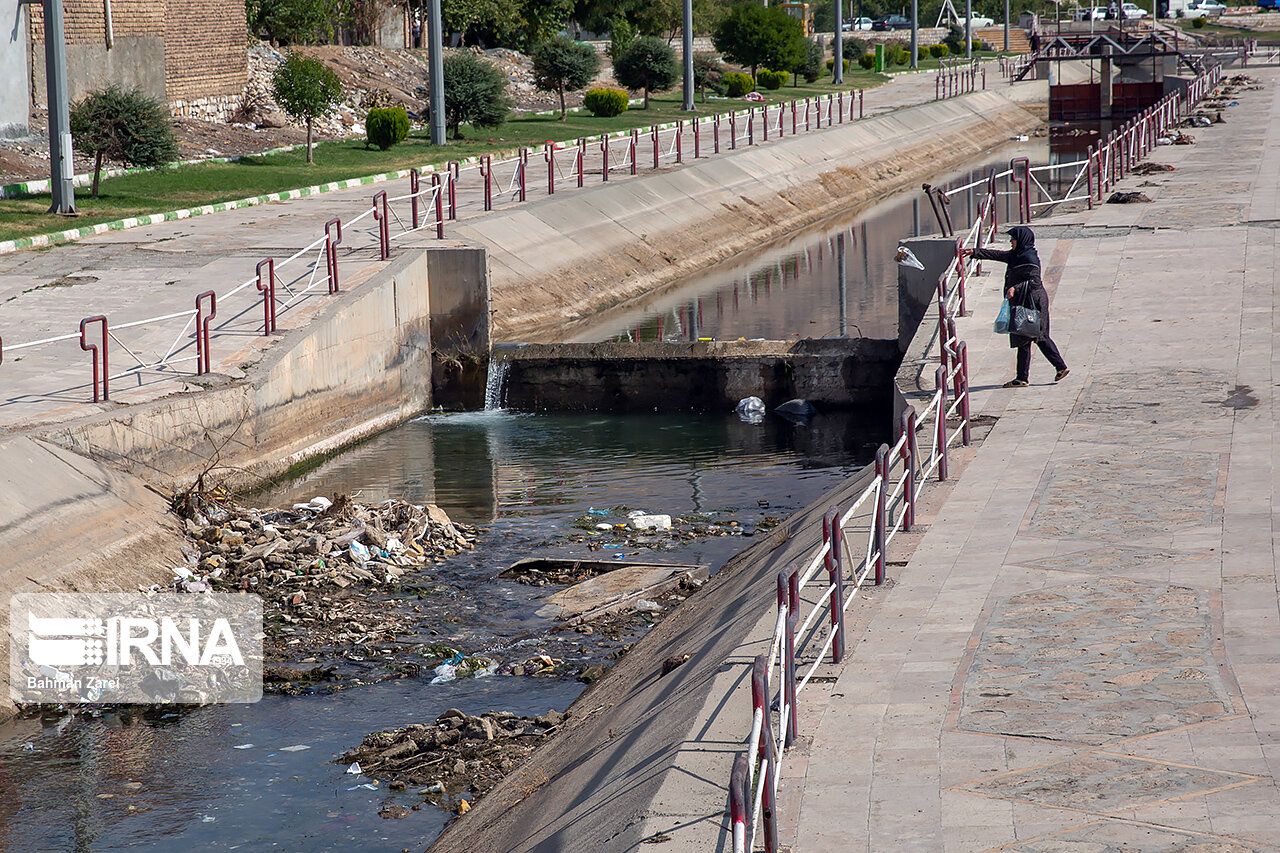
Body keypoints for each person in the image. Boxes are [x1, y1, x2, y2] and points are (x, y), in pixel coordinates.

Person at [964, 226, 1068, 388]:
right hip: (1023, 302)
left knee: (1039, 336)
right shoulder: (1017, 255)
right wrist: (974, 252)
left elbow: (1035, 282)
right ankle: (1022, 378)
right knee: (1024, 339)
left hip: (1033, 302)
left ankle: (1059, 367)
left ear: (1021, 240)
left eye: (1013, 238)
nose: (1011, 241)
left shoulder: (1029, 258)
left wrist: (1015, 288)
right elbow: (999, 255)